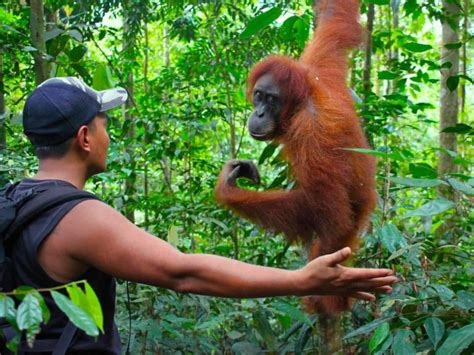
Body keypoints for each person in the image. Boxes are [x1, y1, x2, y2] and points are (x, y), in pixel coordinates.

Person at [2, 77, 397, 354]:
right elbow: (183, 272)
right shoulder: (79, 218)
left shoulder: (13, 199)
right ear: (85, 138)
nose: (110, 134)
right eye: (105, 124)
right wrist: (300, 280)